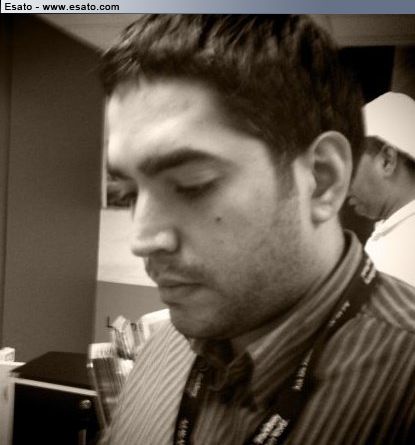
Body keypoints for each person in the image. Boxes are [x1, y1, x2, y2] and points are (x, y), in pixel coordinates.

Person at [100, 15, 415, 445]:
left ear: (321, 179)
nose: (141, 241)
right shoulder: (161, 354)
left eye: (192, 184)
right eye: (128, 193)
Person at [349, 92, 415, 287]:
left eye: (351, 164)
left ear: (387, 160)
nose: (344, 186)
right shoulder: (398, 232)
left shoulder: (404, 247)